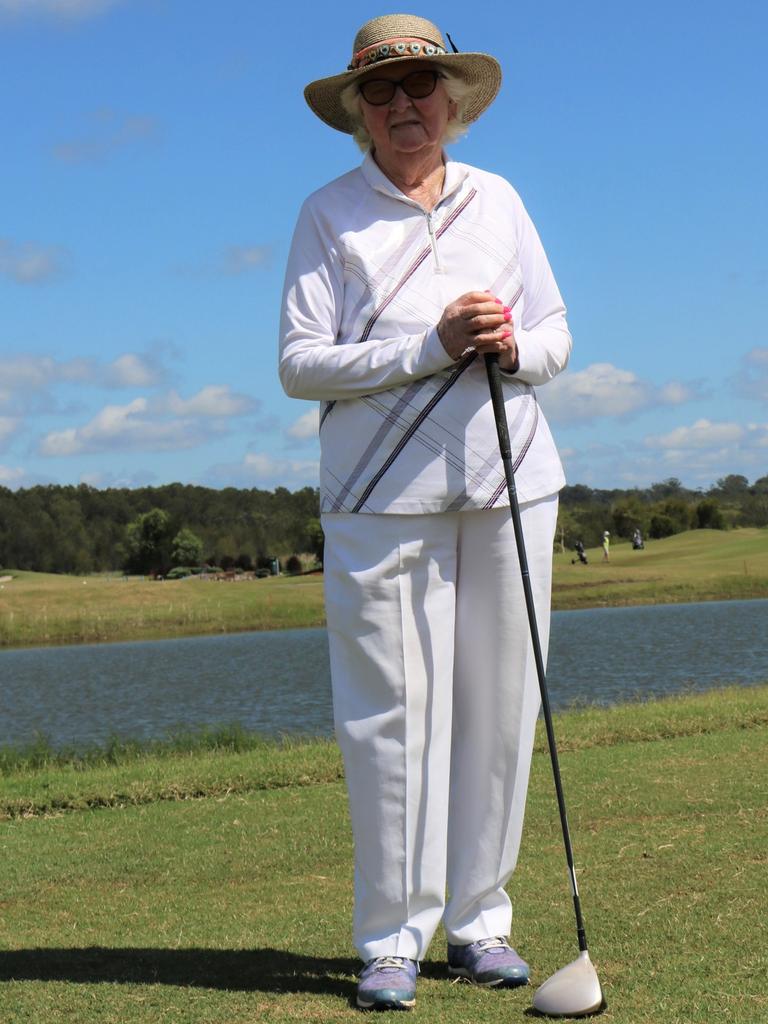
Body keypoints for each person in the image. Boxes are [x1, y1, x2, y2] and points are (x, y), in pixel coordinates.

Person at [280, 13, 571, 1011]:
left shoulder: (502, 200)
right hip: (377, 500)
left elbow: (556, 330)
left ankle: (481, 924)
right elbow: (299, 361)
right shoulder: (329, 214)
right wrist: (431, 345)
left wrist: (511, 346)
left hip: (511, 480)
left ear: (453, 100)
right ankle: (391, 941)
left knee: (500, 710)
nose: (405, 106)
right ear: (359, 111)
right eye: (383, 91)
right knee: (390, 720)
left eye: (422, 87)